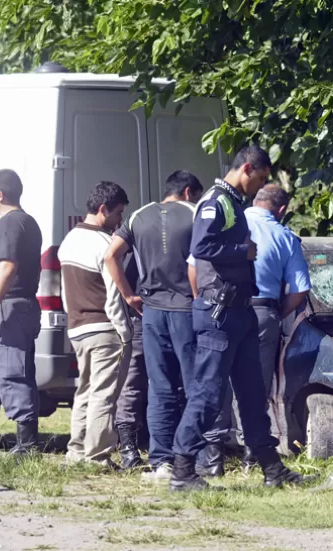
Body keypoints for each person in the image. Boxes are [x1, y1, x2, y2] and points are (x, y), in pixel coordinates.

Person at [171, 145, 313, 492]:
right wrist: (243, 251)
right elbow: (201, 248)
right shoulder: (216, 201)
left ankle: (272, 468)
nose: (260, 186)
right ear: (247, 168)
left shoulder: (234, 203)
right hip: (219, 315)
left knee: (252, 394)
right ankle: (182, 470)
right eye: (261, 178)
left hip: (243, 313)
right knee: (207, 393)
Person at [192, 184, 312, 473]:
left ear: (255, 200)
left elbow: (194, 268)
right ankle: (252, 458)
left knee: (215, 382)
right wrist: (274, 313)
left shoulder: (229, 222)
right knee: (254, 388)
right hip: (261, 312)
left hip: (219, 307)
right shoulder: (285, 236)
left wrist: (204, 301)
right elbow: (299, 291)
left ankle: (213, 459)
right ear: (281, 210)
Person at [104, 170, 203, 481]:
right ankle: (192, 457)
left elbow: (110, 256)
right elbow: (199, 262)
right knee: (192, 387)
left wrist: (129, 295)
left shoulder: (137, 216)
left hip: (151, 312)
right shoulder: (195, 212)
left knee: (160, 389)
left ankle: (160, 460)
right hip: (185, 309)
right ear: (188, 192)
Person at [58, 181, 133, 469]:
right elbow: (114, 297)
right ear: (103, 210)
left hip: (78, 328)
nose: (120, 221)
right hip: (104, 329)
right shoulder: (105, 245)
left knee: (84, 391)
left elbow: (66, 292)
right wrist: (124, 334)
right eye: (118, 214)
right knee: (104, 395)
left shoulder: (69, 241)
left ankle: (76, 451)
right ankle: (98, 456)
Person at [0, 169, 43, 456]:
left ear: (0, 194)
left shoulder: (9, 223)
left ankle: (27, 444)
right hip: (25, 305)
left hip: (11, 307)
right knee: (22, 370)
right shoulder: (29, 222)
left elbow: (7, 266)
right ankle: (26, 440)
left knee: (12, 372)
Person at [113, 248, 148, 470]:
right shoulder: (132, 250)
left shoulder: (134, 246)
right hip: (141, 317)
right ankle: (129, 447)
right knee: (133, 383)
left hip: (141, 317)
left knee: (133, 384)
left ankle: (131, 448)